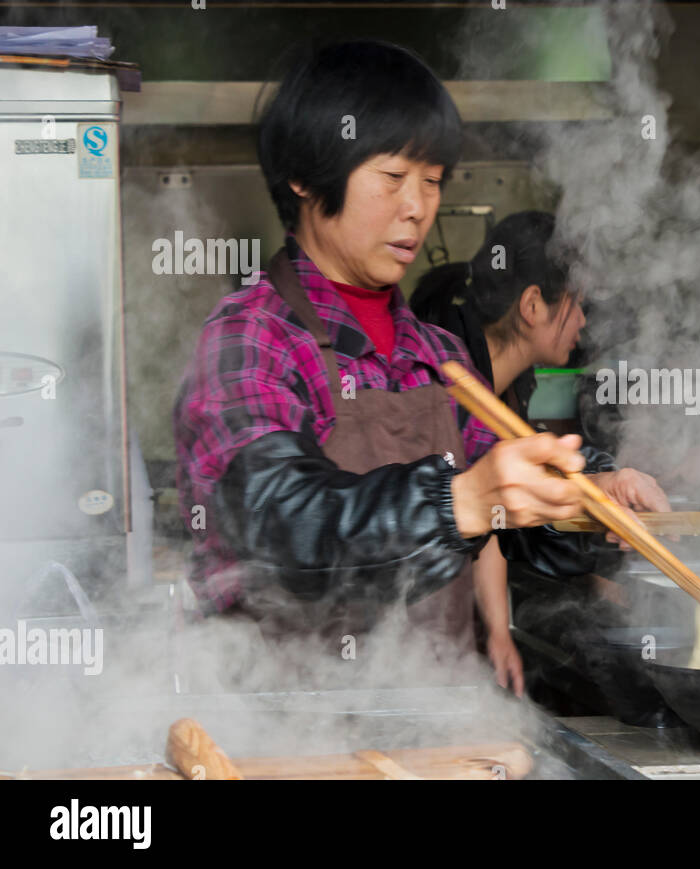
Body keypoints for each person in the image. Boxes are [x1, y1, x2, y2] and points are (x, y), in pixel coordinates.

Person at [172, 41, 649, 685]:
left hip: (437, 726)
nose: (418, 208)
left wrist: (596, 494)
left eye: (432, 182)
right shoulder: (250, 337)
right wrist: (459, 503)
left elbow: (516, 501)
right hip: (285, 737)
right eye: (393, 178)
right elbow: (277, 525)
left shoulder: (435, 354)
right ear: (307, 178)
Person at [410, 212, 671, 695]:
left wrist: (604, 485)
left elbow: (493, 510)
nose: (585, 322)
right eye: (577, 305)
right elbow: (475, 506)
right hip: (411, 643)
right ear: (533, 305)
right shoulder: (452, 383)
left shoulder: (509, 386)